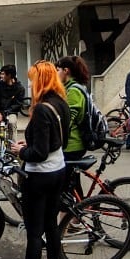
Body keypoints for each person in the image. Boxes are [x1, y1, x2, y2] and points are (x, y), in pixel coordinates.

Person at [6, 60, 69, 259]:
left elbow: (39, 152)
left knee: (34, 232)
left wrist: (21, 151)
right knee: (51, 224)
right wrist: (29, 145)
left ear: (41, 80)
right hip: (58, 169)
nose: (30, 83)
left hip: (40, 174)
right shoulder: (60, 103)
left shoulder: (42, 109)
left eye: (33, 78)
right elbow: (56, 141)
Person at [55, 55, 90, 198]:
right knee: (72, 183)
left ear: (66, 70)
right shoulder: (70, 88)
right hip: (71, 143)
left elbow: (66, 121)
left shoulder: (74, 90)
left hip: (72, 144)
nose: (56, 74)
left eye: (58, 70)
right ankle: (76, 214)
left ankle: (74, 216)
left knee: (67, 185)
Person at [0, 64, 26, 144]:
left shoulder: (19, 88)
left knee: (11, 123)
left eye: (3, 74)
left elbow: (18, 105)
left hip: (11, 113)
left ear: (9, 75)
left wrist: (4, 113)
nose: (1, 76)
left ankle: (12, 151)